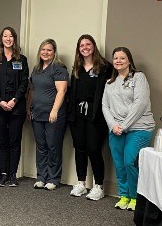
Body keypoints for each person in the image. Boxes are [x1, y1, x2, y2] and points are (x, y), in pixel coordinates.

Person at [102, 47, 155, 211]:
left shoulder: (139, 78)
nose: (118, 61)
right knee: (119, 164)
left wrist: (124, 126)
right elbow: (105, 106)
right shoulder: (109, 83)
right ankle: (124, 195)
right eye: (115, 58)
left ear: (129, 60)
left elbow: (140, 104)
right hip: (116, 129)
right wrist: (113, 126)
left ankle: (135, 197)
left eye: (122, 58)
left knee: (129, 161)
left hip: (139, 128)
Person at [67, 34, 112, 200]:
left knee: (94, 149)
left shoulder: (105, 67)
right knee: (80, 148)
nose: (84, 47)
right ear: (78, 49)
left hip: (96, 115)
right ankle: (81, 183)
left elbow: (109, 93)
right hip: (77, 114)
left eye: (88, 44)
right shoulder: (77, 67)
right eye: (81, 45)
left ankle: (98, 185)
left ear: (94, 46)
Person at [0, 27, 28, 187]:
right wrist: (0, 101)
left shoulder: (21, 59)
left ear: (14, 39)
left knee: (14, 141)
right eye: (5, 36)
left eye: (11, 36)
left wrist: (14, 100)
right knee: (0, 141)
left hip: (16, 108)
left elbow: (25, 82)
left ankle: (13, 175)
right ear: (1, 39)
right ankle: (3, 173)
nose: (8, 38)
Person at [27, 39, 68, 190]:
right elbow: (31, 90)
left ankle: (53, 178)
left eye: (49, 50)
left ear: (54, 52)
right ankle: (41, 177)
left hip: (53, 115)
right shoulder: (36, 69)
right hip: (37, 113)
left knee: (53, 146)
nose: (45, 52)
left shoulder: (58, 68)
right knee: (41, 146)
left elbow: (61, 91)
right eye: (43, 49)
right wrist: (28, 108)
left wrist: (54, 110)